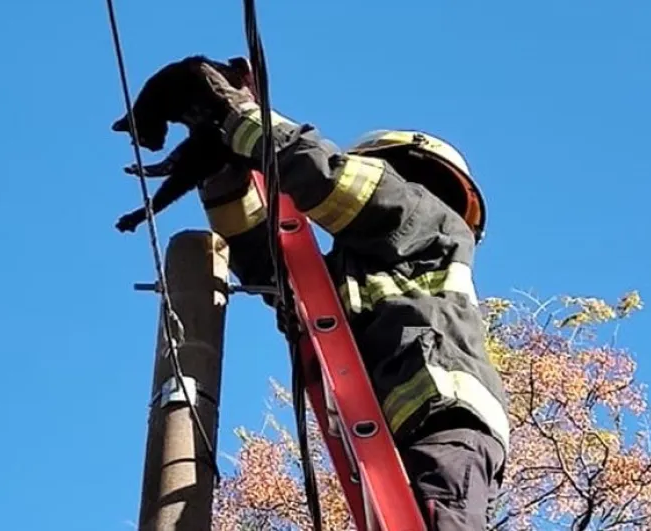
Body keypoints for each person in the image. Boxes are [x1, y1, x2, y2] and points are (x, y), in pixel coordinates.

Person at [112, 55, 511, 530]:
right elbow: (270, 264)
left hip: (443, 420)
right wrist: (225, 176)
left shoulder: (431, 223)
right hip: (397, 432)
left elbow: (323, 176)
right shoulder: (346, 281)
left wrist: (234, 113)